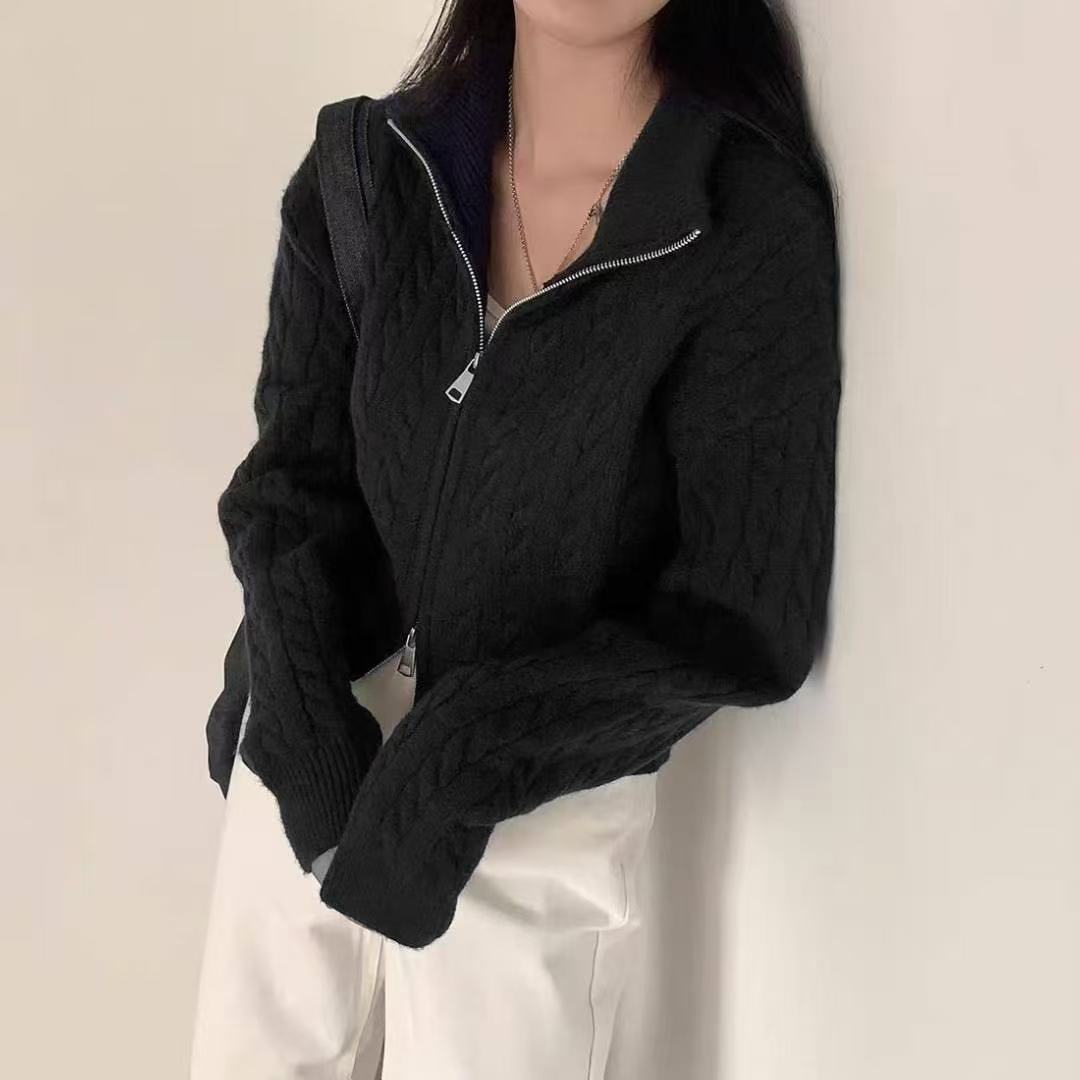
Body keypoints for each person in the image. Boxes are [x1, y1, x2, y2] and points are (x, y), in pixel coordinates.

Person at [190, 0, 842, 1076]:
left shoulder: (740, 221)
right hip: (303, 746)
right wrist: (302, 729)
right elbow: (286, 493)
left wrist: (464, 757)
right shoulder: (366, 170)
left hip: (532, 805)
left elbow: (744, 612)